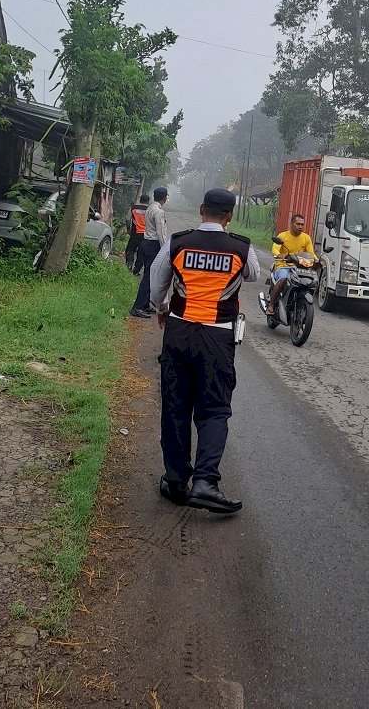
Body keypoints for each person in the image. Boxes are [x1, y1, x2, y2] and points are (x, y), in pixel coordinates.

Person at [150, 187, 260, 514]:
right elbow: (253, 275)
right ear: (229, 216)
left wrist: (160, 308)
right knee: (214, 408)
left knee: (175, 405)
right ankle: (205, 482)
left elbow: (158, 279)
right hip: (218, 338)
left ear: (201, 210)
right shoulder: (241, 247)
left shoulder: (179, 242)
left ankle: (175, 480)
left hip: (179, 330)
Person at [264, 212, 316, 316]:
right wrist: (279, 255)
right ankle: (271, 305)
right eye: (298, 224)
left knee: (310, 281)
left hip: (299, 267)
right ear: (291, 224)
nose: (300, 226)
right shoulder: (283, 236)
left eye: (302, 224)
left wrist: (318, 261)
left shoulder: (306, 238)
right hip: (283, 265)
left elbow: (311, 253)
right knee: (283, 279)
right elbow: (275, 248)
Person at [130, 187, 168, 318]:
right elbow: (160, 232)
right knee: (149, 277)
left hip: (145, 243)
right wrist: (166, 249)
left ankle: (145, 304)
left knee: (149, 274)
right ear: (165, 198)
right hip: (153, 244)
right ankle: (138, 307)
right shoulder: (159, 212)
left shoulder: (150, 208)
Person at [125, 193, 149, 274]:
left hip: (135, 233)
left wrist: (128, 229)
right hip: (145, 234)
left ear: (140, 200)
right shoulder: (149, 210)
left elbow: (128, 219)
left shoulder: (133, 208)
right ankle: (136, 270)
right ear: (148, 201)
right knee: (141, 252)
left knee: (130, 249)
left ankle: (129, 265)